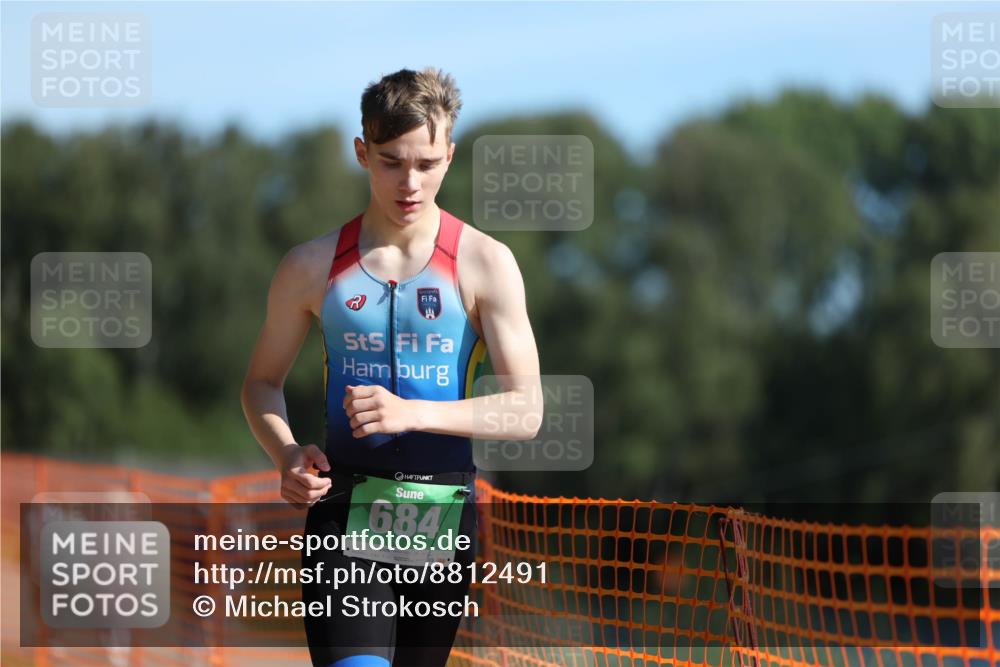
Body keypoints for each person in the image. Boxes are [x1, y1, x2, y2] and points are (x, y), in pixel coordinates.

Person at [241, 67, 542, 667]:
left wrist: (413, 413)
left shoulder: (486, 263)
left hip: (442, 518)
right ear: (362, 152)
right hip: (343, 514)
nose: (410, 182)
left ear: (450, 156)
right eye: (391, 161)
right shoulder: (310, 265)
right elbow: (260, 383)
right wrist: (286, 454)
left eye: (427, 164)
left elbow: (527, 409)